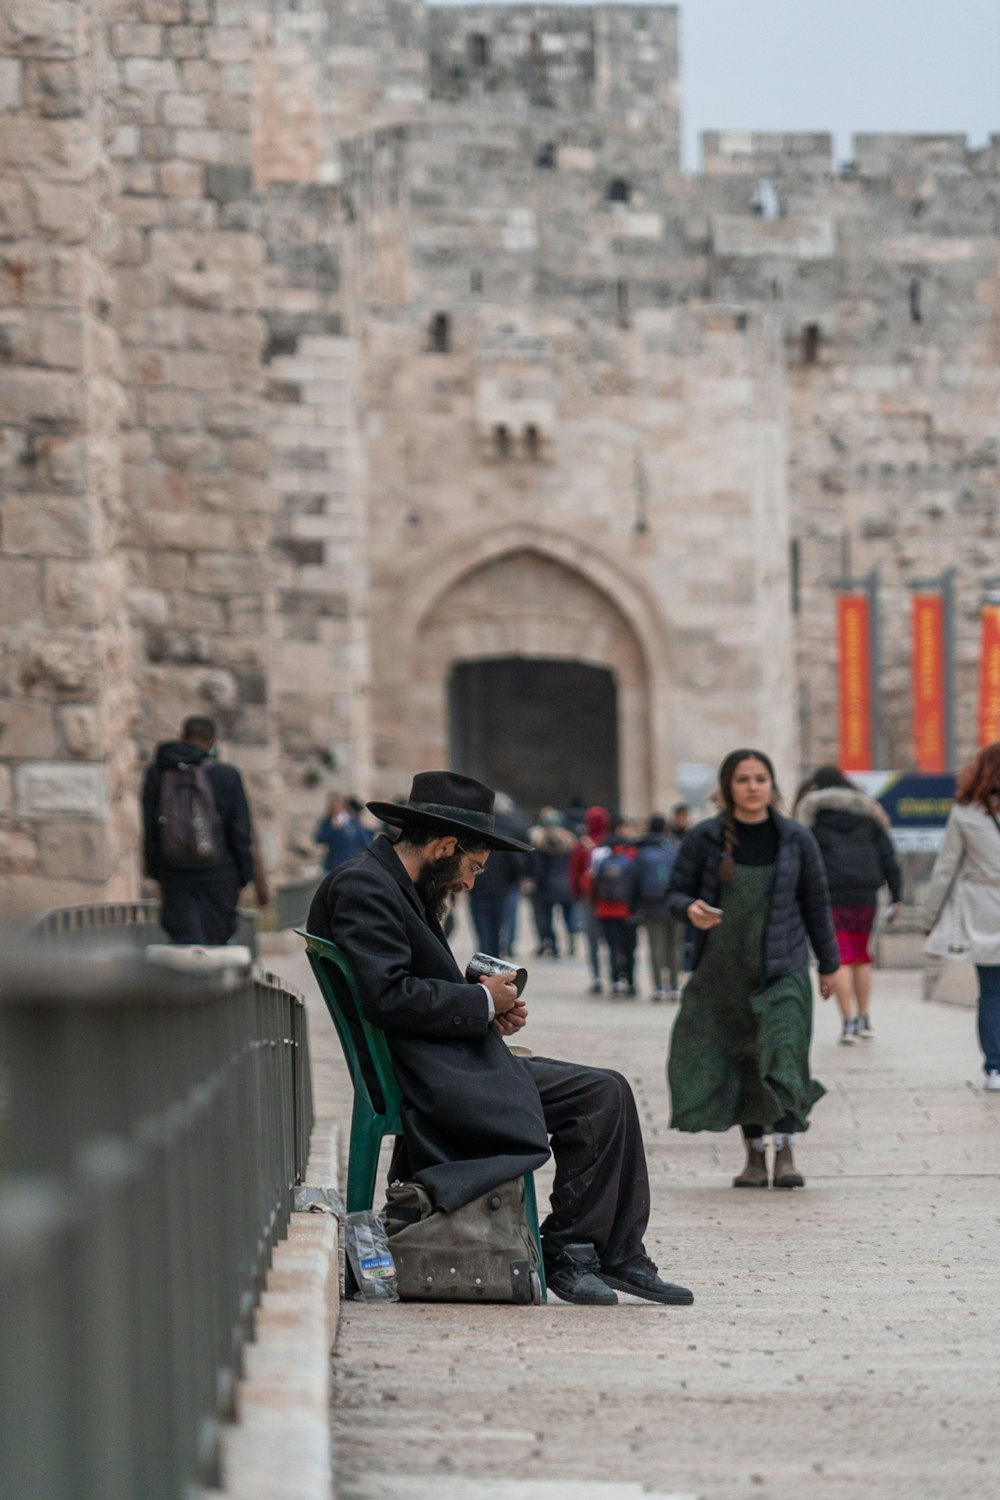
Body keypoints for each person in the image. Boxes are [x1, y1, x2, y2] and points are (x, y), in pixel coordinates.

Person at [308, 771, 693, 1307]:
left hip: (443, 1056)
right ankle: (573, 1253)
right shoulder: (365, 886)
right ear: (445, 846)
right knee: (600, 1095)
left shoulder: (392, 883)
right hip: (429, 1074)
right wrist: (483, 1002)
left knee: (608, 1089)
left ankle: (613, 1253)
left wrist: (485, 1010)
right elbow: (388, 996)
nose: (469, 883)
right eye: (473, 867)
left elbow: (405, 987)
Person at [665, 748, 840, 1190]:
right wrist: (691, 909)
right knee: (742, 1060)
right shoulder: (704, 839)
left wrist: (830, 964)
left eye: (760, 778)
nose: (752, 786)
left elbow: (817, 904)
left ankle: (785, 1151)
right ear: (728, 788)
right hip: (723, 971)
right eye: (742, 779)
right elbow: (674, 893)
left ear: (772, 785)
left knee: (783, 1053)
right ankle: (754, 1157)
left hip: (784, 967)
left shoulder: (796, 839)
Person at [794, 765, 902, 1043]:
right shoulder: (868, 816)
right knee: (861, 955)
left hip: (829, 895)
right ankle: (865, 1016)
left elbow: (802, 862)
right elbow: (889, 857)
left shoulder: (812, 819)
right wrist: (897, 895)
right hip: (866, 894)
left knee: (840, 955)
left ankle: (848, 1021)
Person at [142, 714, 266, 945]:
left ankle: (189, 980)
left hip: (174, 870)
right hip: (220, 872)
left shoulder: (157, 773)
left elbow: (150, 826)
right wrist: (244, 875)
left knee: (184, 942)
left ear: (181, 737)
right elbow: (240, 830)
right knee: (216, 941)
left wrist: (155, 871)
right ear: (211, 742)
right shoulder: (226, 775)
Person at [922, 742, 1000, 1091]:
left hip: (983, 908)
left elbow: (945, 870)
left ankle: (995, 1068)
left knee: (991, 992)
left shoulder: (965, 813)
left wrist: (930, 915)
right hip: (984, 902)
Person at [632, 814, 682, 1002]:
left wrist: (635, 907)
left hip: (651, 904)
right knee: (675, 946)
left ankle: (659, 987)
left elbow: (635, 881)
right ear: (665, 829)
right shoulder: (676, 848)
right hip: (676, 903)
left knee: (656, 946)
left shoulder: (642, 852)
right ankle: (675, 986)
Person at [592, 817, 639, 997]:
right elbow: (637, 886)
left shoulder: (602, 859)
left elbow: (593, 884)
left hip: (605, 911)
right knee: (629, 948)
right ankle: (631, 982)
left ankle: (615, 981)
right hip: (627, 911)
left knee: (612, 947)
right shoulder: (631, 857)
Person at [569, 805, 611, 994]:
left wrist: (578, 894)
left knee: (593, 940)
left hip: (589, 898)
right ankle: (616, 975)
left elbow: (574, 873)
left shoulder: (582, 845)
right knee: (612, 939)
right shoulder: (611, 843)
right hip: (611, 899)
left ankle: (596, 978)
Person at [527, 808, 578, 958]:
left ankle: (552, 945)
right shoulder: (570, 839)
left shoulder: (540, 840)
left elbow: (539, 867)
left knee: (545, 918)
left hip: (546, 885)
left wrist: (535, 881)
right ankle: (571, 941)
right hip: (566, 884)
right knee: (568, 917)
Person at [314, 792, 372, 873]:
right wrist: (332, 828)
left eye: (337, 804)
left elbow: (364, 842)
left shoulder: (353, 822)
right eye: (332, 805)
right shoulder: (327, 822)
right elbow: (319, 839)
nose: (335, 807)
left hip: (350, 865)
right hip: (332, 865)